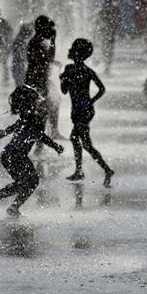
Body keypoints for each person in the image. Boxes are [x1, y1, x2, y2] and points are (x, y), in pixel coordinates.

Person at [0, 85, 63, 217]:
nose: (39, 100)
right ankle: (3, 201)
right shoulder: (34, 116)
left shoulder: (26, 116)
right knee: (31, 182)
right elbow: (40, 135)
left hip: (8, 154)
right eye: (36, 99)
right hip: (16, 155)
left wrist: (2, 133)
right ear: (31, 101)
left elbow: (15, 126)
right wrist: (55, 146)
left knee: (25, 182)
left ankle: (3, 202)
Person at [60, 38, 114, 187]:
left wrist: (63, 79)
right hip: (83, 109)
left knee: (83, 142)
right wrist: (91, 101)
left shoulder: (70, 70)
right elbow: (102, 89)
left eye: (72, 47)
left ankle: (104, 170)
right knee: (79, 140)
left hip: (81, 110)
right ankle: (81, 170)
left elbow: (64, 91)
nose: (69, 49)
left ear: (77, 53)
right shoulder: (87, 71)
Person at [24, 15, 62, 142]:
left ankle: (53, 132)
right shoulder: (36, 42)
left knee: (53, 102)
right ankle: (40, 142)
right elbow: (38, 61)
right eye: (49, 27)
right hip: (35, 80)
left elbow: (48, 57)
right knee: (42, 110)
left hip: (40, 79)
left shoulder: (42, 40)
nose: (51, 30)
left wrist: (53, 40)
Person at [11, 23, 33, 87]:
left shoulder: (18, 41)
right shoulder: (19, 42)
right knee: (21, 87)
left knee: (20, 87)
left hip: (18, 68)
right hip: (19, 69)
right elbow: (21, 56)